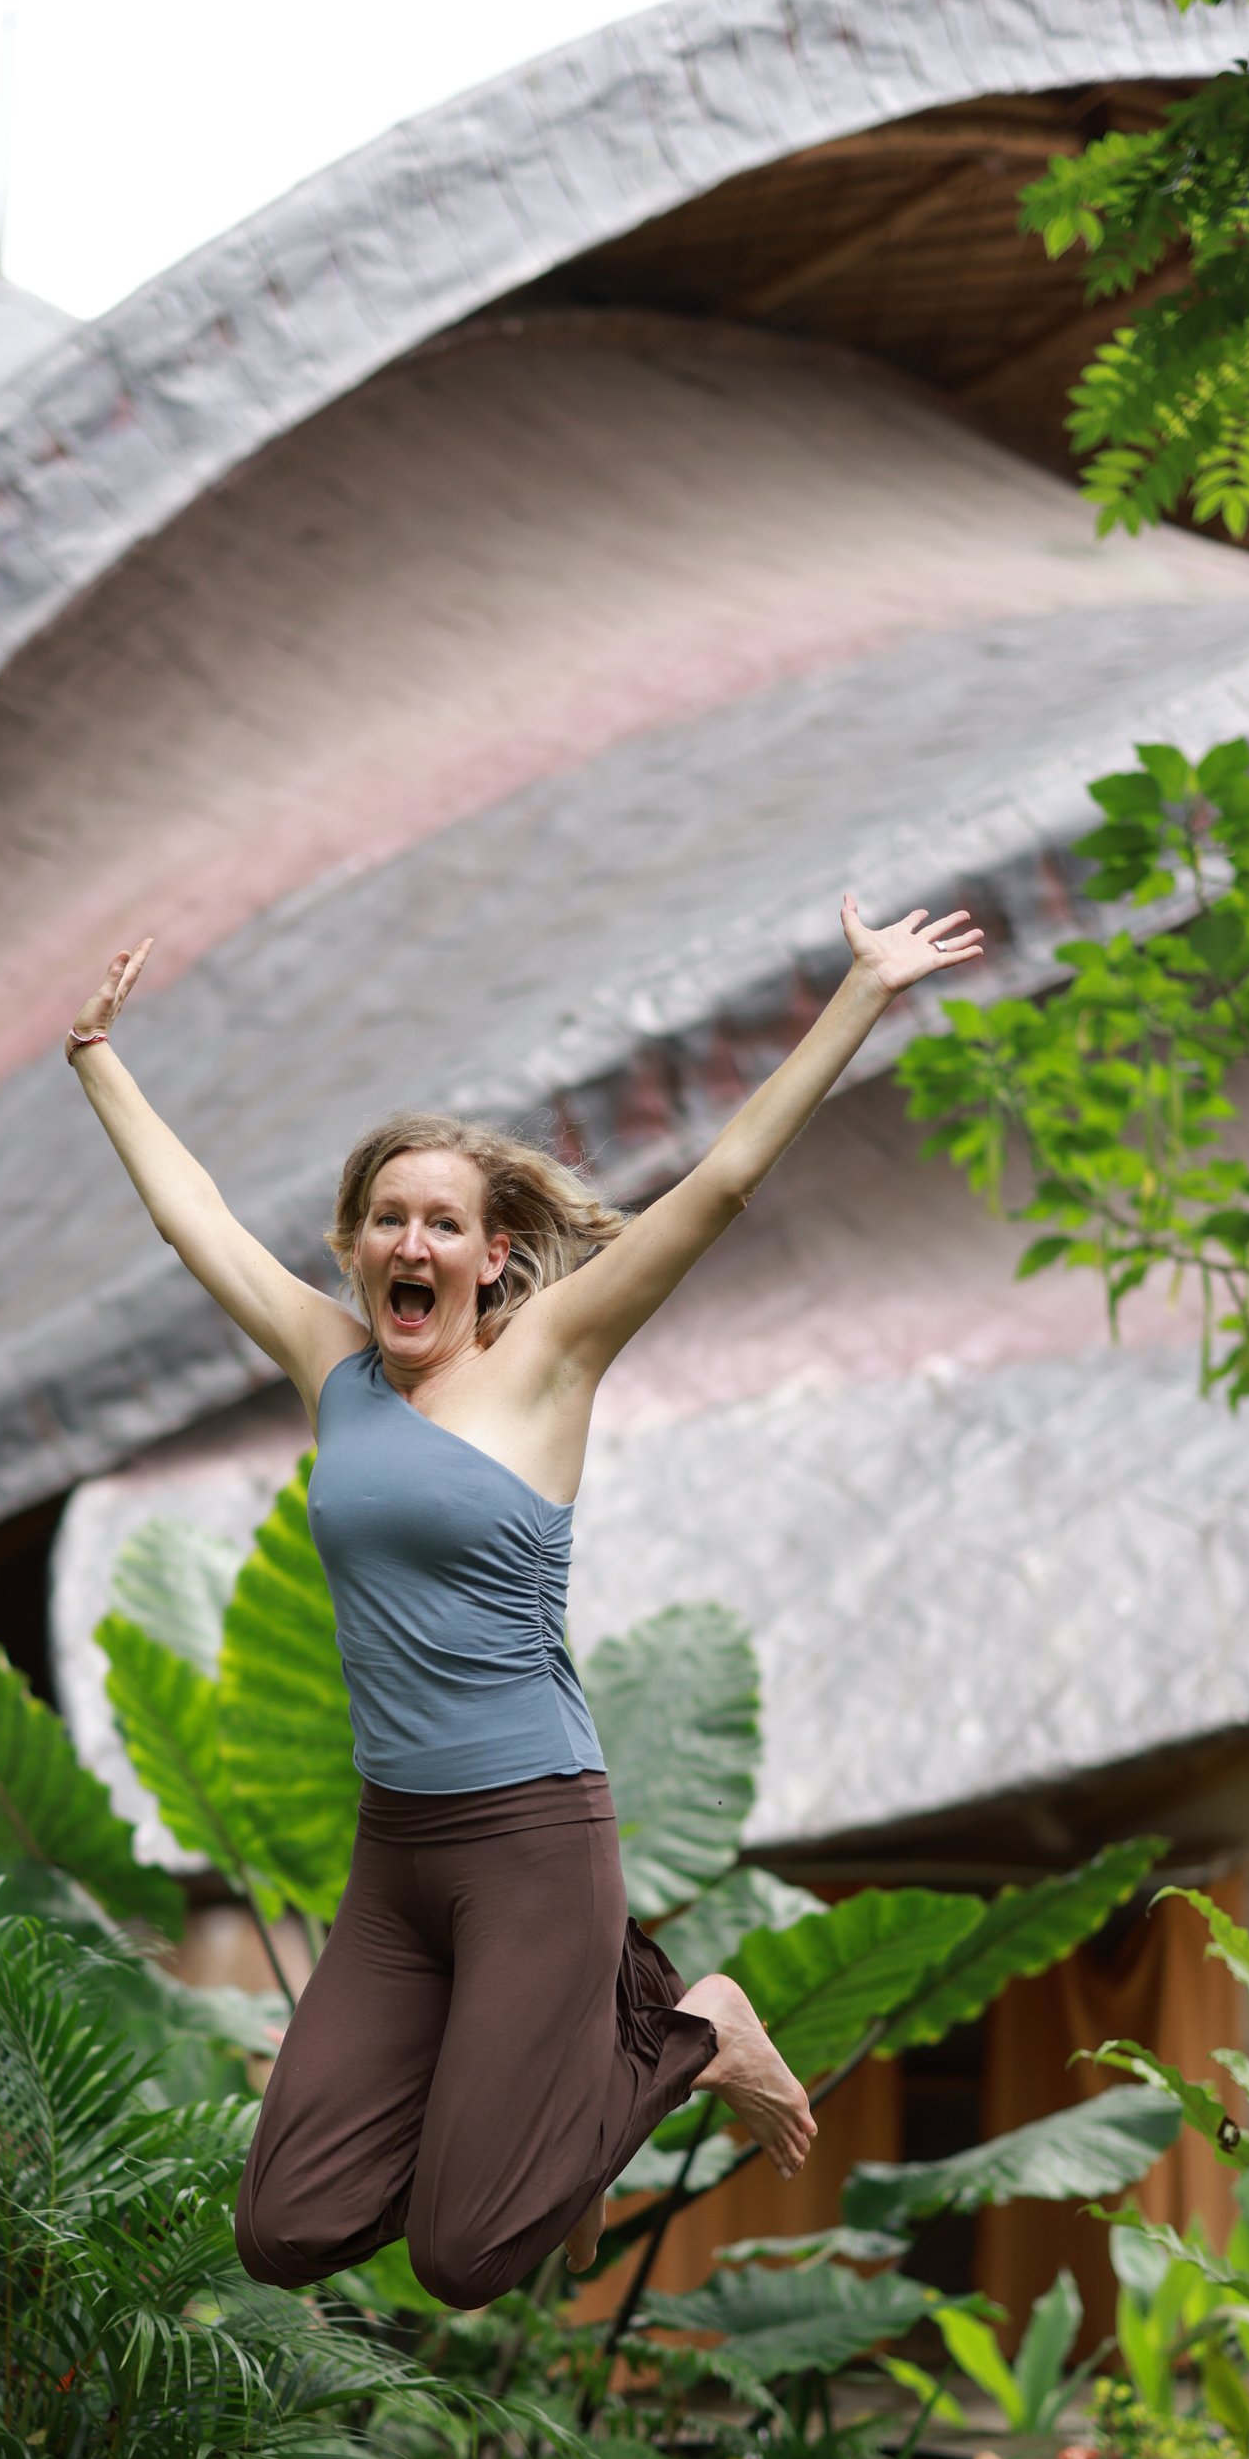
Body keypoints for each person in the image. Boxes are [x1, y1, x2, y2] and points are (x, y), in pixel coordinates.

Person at [66, 888, 985, 2308]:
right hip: (395, 1860)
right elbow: (198, 1229)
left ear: (493, 1254)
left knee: (466, 2254)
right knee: (286, 2227)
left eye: (443, 1222)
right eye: (386, 1220)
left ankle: (688, 2027)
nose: (411, 1244)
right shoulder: (337, 1372)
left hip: (531, 1843)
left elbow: (725, 1183)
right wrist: (99, 1061)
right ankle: (546, 2111)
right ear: (357, 1248)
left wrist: (862, 992)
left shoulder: (551, 1356)